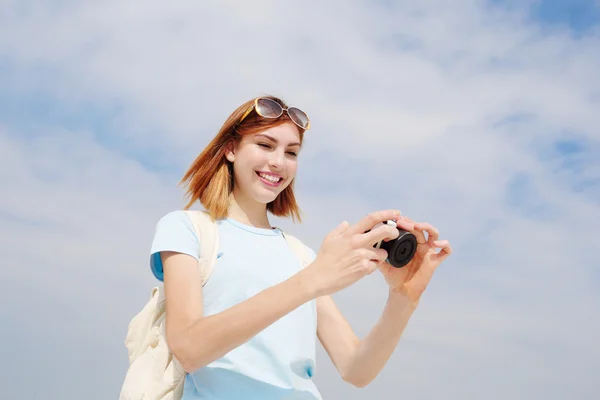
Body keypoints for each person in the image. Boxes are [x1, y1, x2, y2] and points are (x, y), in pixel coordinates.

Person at [149, 95, 453, 399]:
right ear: (231, 149)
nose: (278, 162)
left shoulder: (301, 256)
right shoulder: (187, 228)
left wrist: (404, 298)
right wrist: (313, 280)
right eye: (265, 145)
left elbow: (356, 369)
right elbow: (189, 348)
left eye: (291, 152)